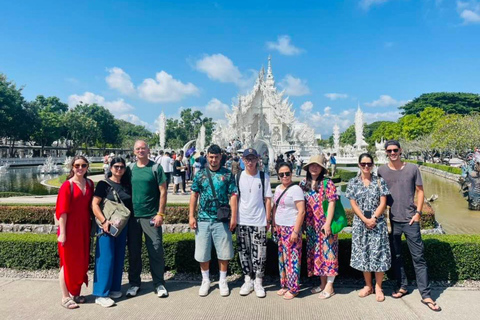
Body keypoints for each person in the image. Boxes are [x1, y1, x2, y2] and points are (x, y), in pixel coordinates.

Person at [378, 140, 441, 312]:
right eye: (389, 150)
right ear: (386, 152)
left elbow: (420, 191)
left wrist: (418, 213)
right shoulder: (381, 171)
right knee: (396, 256)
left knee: (418, 257)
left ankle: (426, 294)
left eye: (395, 150)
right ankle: (402, 286)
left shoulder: (412, 169)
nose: (393, 153)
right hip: (392, 221)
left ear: (400, 150)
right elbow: (378, 194)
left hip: (410, 220)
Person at [189, 144, 238, 297]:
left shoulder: (228, 174)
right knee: (203, 252)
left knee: (224, 252)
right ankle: (205, 280)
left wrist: (234, 217)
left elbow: (233, 196)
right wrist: (191, 215)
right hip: (203, 219)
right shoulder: (200, 174)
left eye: (216, 157)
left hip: (221, 219)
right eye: (211, 157)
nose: (214, 160)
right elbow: (194, 195)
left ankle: (223, 280)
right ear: (207, 156)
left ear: (220, 157)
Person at [345, 153, 391, 302]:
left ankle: (378, 287)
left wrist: (374, 218)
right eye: (363, 164)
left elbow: (383, 202)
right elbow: (353, 203)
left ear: (372, 165)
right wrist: (365, 219)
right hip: (360, 223)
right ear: (359, 164)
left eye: (369, 164)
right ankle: (368, 285)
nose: (366, 166)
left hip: (377, 223)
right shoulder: (353, 182)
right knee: (364, 252)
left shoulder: (380, 181)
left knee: (379, 253)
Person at [126, 140, 169, 299]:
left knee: (156, 250)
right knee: (134, 252)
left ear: (148, 150)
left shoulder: (155, 168)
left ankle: (159, 284)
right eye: (138, 148)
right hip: (133, 217)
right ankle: (134, 283)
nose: (141, 150)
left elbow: (163, 191)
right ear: (134, 151)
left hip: (151, 216)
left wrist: (160, 213)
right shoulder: (130, 168)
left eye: (143, 148)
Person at [92, 157, 132, 307]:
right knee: (105, 258)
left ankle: (114, 288)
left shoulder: (126, 185)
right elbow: (94, 204)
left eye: (122, 167)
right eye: (116, 166)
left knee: (118, 256)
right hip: (106, 226)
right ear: (110, 167)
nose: (119, 169)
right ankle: (101, 293)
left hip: (121, 226)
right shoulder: (104, 184)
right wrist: (103, 221)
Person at [55, 156, 94, 309]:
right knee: (66, 262)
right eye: (77, 165)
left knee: (81, 261)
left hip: (84, 228)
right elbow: (62, 212)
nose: (80, 168)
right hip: (69, 229)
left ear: (87, 167)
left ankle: (76, 293)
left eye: (83, 165)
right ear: (72, 167)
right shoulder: (67, 185)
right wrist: (63, 233)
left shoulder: (90, 184)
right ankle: (65, 296)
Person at [299, 155, 339, 300]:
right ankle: (322, 284)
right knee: (317, 255)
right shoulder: (304, 184)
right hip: (311, 225)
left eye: (317, 165)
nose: (314, 168)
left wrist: (327, 223)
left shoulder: (328, 183)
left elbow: (332, 203)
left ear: (322, 168)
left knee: (329, 254)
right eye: (311, 165)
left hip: (324, 224)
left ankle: (330, 285)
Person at [236, 148, 273, 298]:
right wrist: (233, 218)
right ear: (243, 160)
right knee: (244, 252)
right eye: (247, 159)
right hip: (242, 220)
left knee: (260, 254)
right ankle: (247, 279)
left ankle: (258, 281)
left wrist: (268, 219)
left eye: (252, 159)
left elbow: (268, 199)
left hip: (259, 220)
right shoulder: (238, 176)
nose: (250, 162)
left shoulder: (264, 177)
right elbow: (234, 198)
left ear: (258, 159)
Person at [272, 162, 305, 300]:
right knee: (283, 258)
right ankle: (285, 285)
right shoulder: (278, 188)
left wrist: (296, 231)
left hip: (291, 228)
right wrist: (274, 224)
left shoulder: (296, 189)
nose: (285, 176)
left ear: (291, 173)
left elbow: (301, 211)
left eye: (287, 173)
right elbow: (275, 207)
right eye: (281, 174)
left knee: (292, 259)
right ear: (278, 176)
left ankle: (294, 288)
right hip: (280, 227)